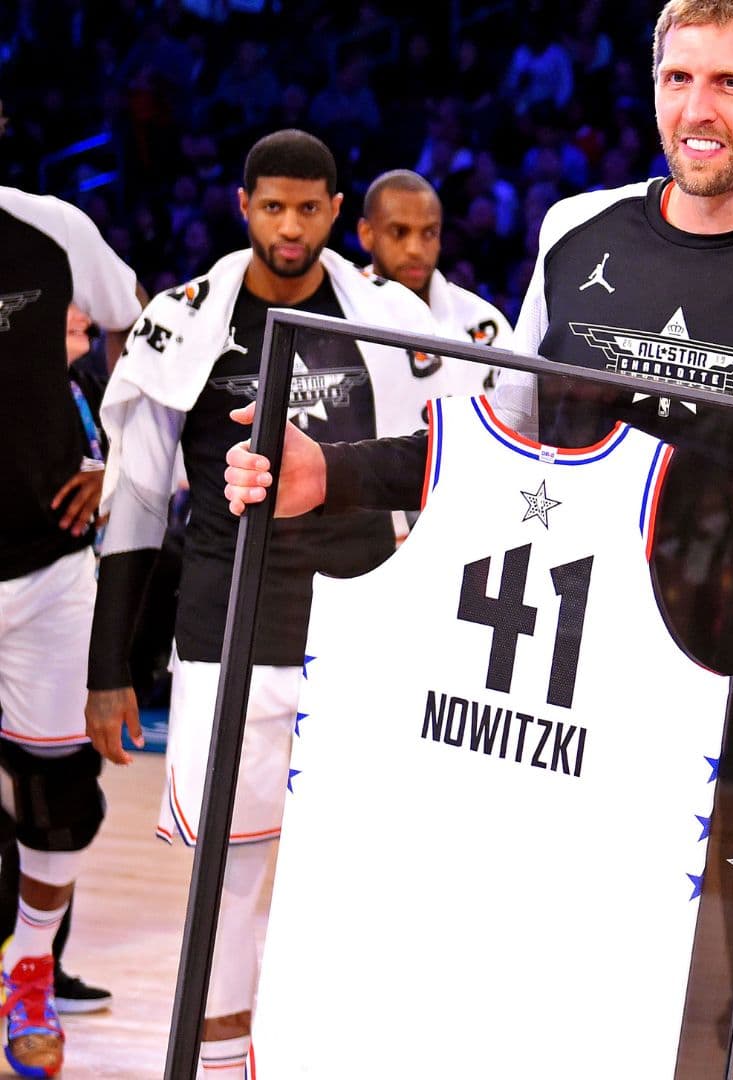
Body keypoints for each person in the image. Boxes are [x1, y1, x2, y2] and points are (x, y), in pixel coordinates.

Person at [221, 5, 733, 1074]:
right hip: (570, 726)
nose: (696, 111)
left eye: (730, 84)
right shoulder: (579, 231)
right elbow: (499, 445)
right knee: (552, 1020)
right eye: (677, 79)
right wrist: (324, 473)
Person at [87, 130, 469, 1079]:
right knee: (230, 876)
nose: (290, 226)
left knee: (345, 875)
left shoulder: (391, 321)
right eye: (273, 206)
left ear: (338, 215)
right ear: (243, 206)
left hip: (359, 639)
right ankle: (219, 1066)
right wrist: (107, 670)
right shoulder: (189, 325)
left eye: (308, 208)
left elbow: (464, 459)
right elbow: (137, 505)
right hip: (227, 633)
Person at [0, 185, 144, 1077]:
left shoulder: (55, 230)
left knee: (60, 797)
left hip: (47, 567)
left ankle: (31, 967)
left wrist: (116, 460)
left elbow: (144, 342)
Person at [355, 169, 509, 349]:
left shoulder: (484, 325)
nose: (415, 250)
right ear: (367, 234)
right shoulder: (339, 315)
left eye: (429, 233)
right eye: (399, 232)